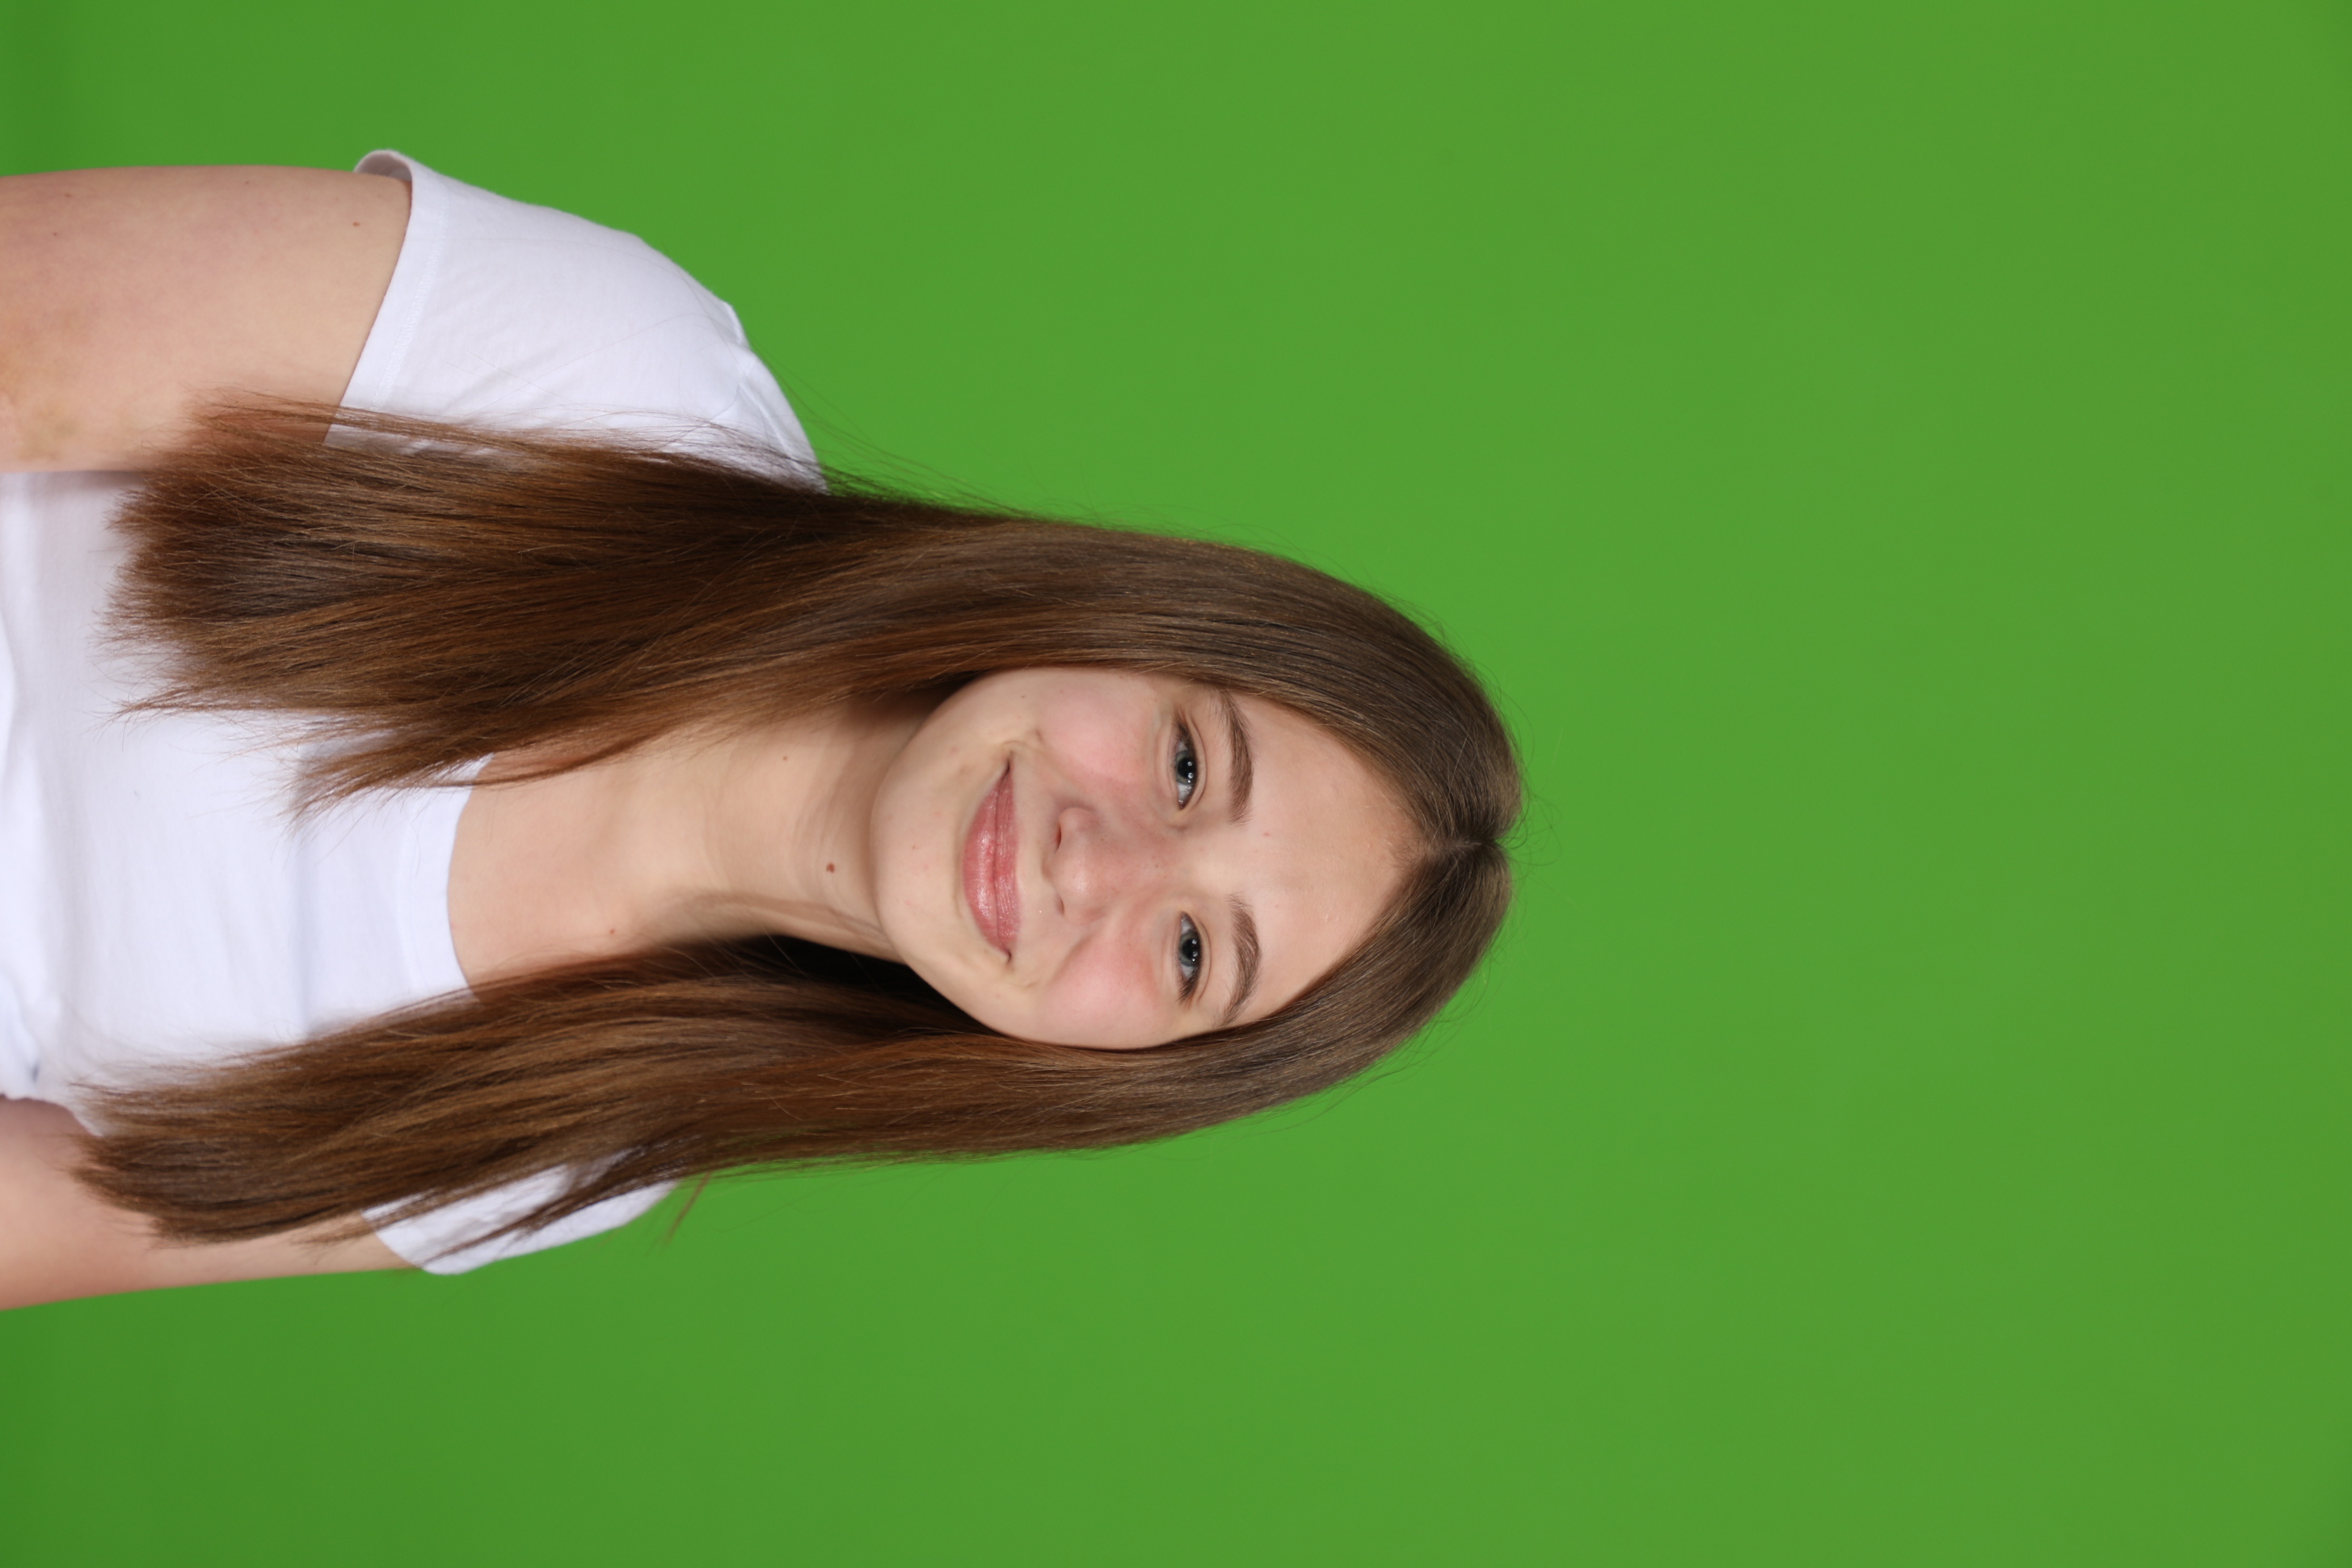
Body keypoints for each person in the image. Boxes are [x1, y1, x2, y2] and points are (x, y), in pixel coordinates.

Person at [0, 153, 1520, 1310]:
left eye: (1192, 954)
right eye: (1187, 765)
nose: (1098, 861)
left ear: (1123, 1067)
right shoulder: (607, 378)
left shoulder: (552, 1150)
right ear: (1131, 626)